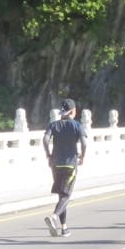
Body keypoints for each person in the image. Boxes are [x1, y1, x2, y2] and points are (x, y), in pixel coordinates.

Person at [43, 99, 88, 237]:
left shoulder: (53, 125)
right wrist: (82, 156)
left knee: (62, 195)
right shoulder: (77, 125)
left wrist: (48, 155)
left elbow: (45, 140)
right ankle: (54, 217)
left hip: (56, 164)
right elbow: (84, 143)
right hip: (70, 164)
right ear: (73, 111)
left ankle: (64, 228)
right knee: (67, 195)